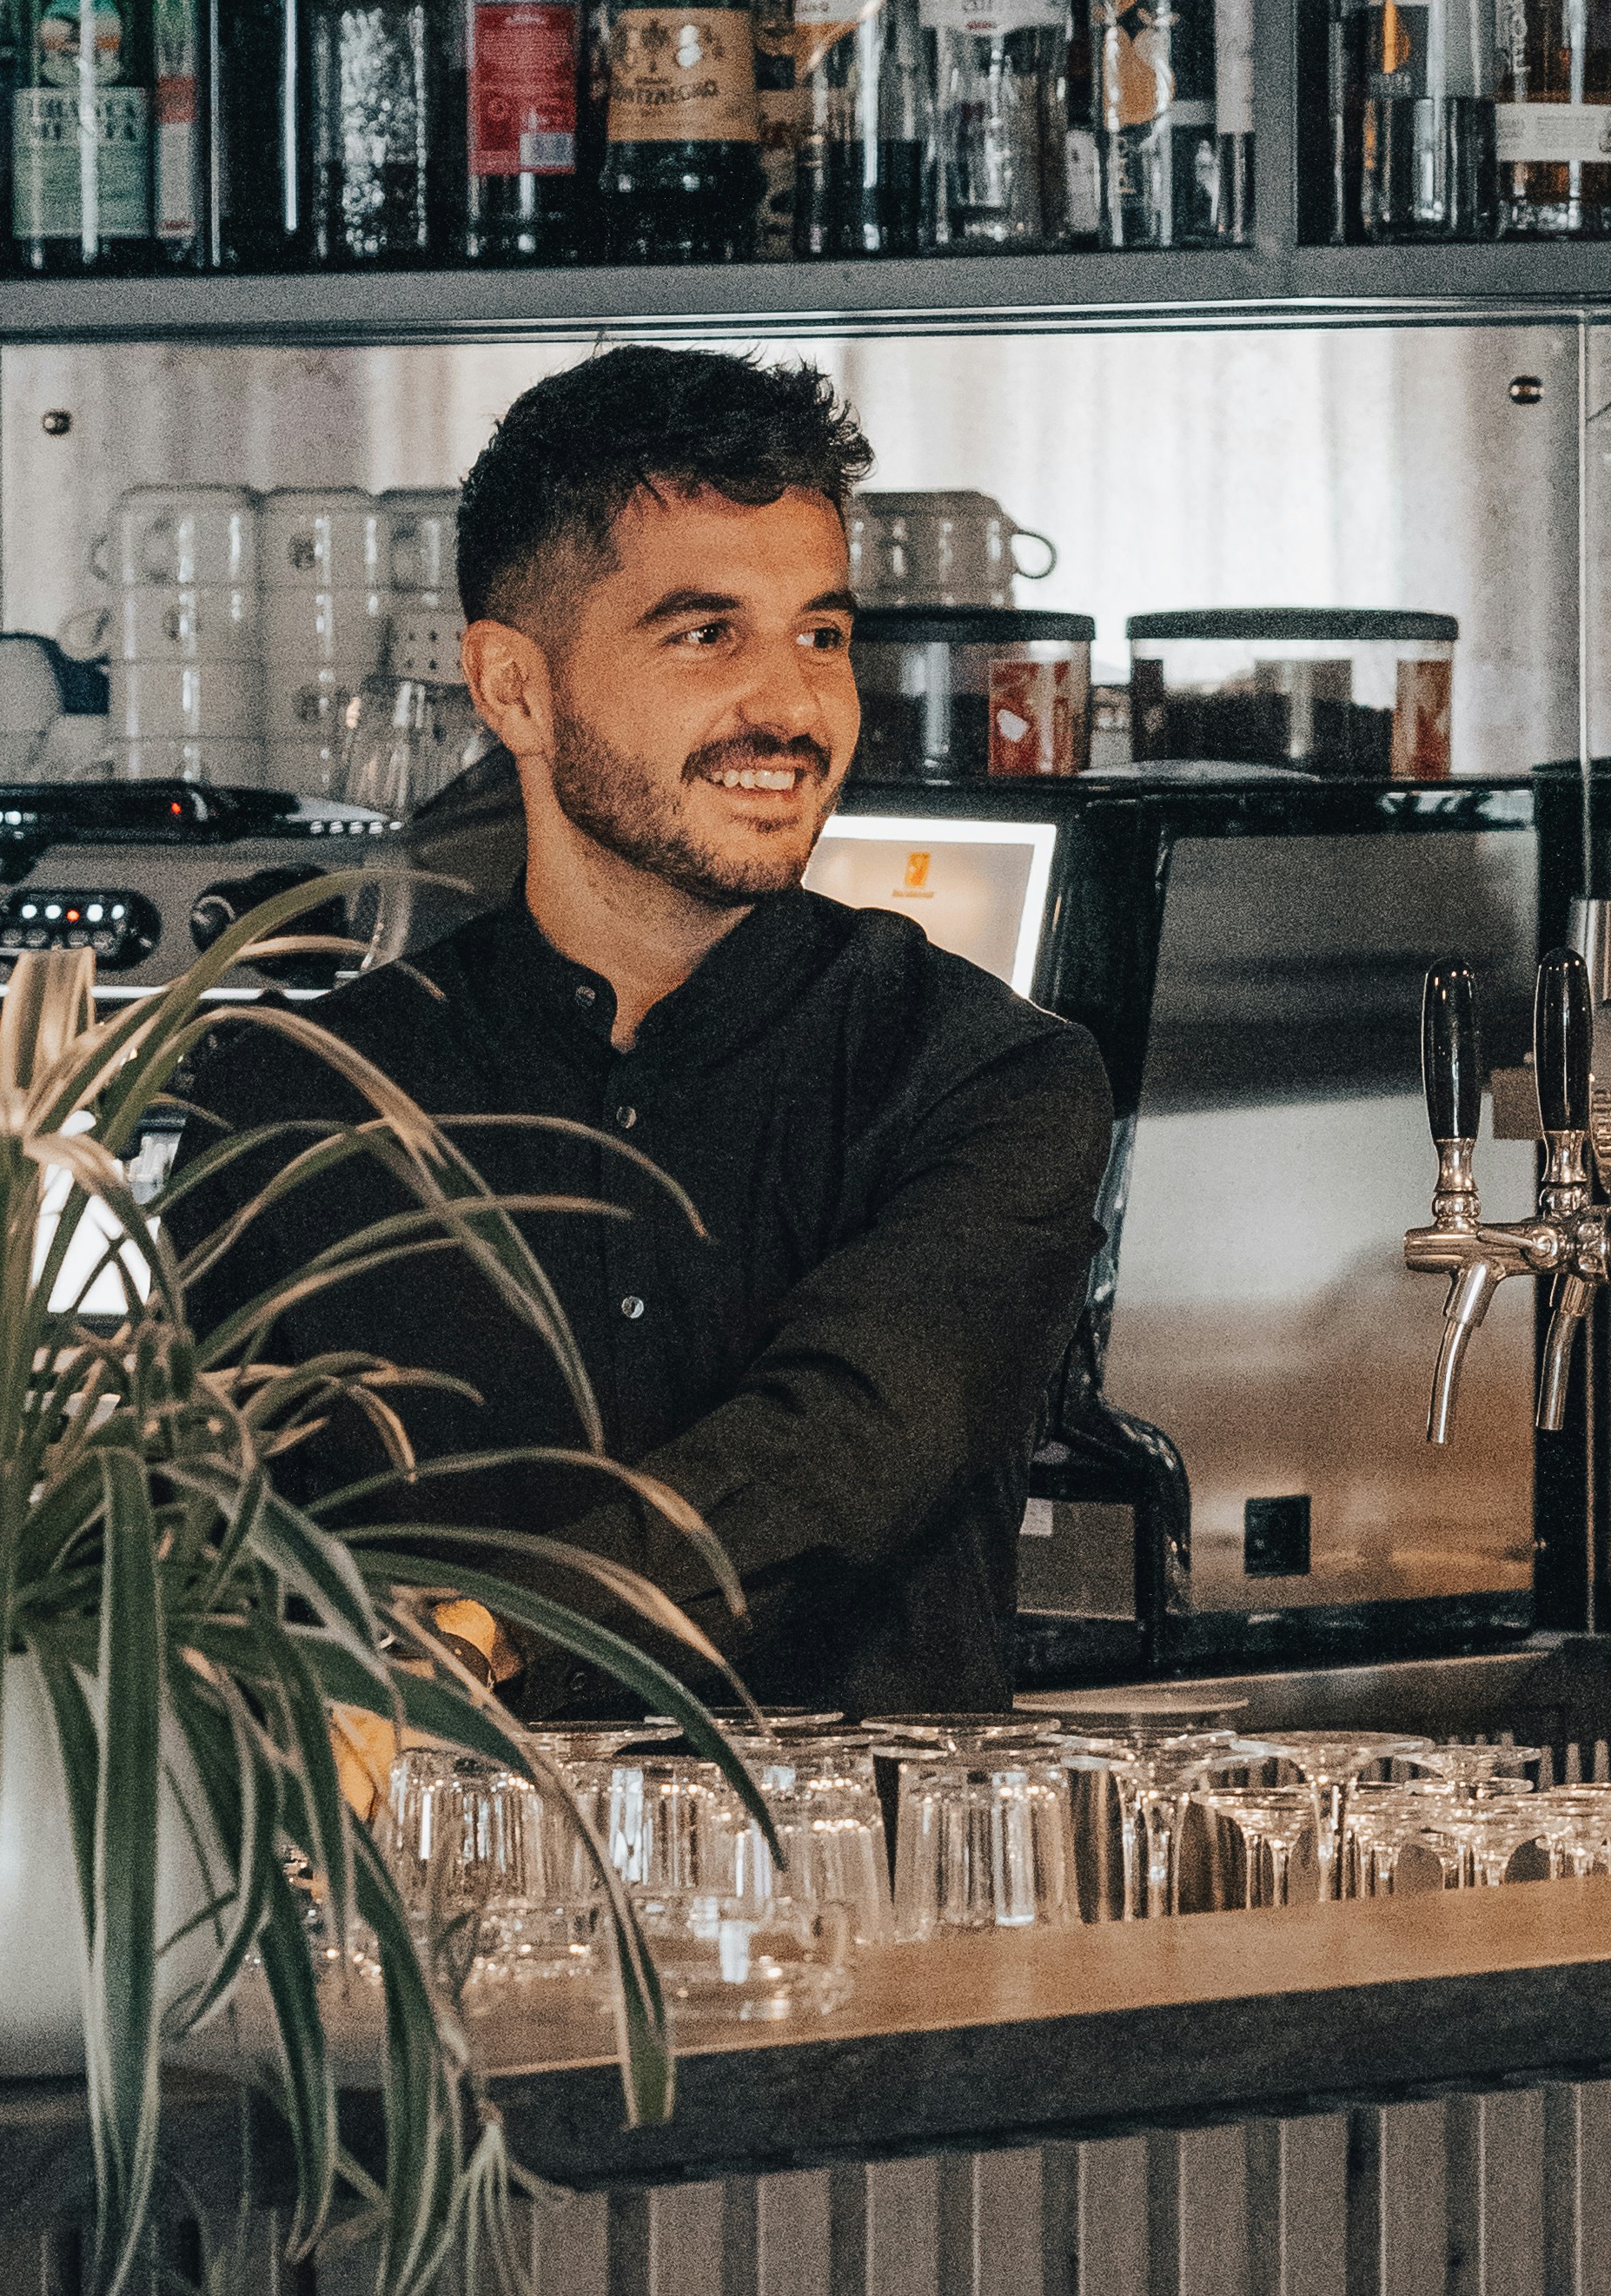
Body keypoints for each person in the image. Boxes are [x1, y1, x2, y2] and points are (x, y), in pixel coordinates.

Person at [186, 347, 1113, 1711]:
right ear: (513, 689)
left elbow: (837, 1449)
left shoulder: (987, 1080)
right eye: (704, 635)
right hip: (441, 1909)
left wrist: (480, 1636)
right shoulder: (300, 1100)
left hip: (864, 1905)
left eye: (821, 635)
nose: (793, 710)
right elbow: (201, 1547)